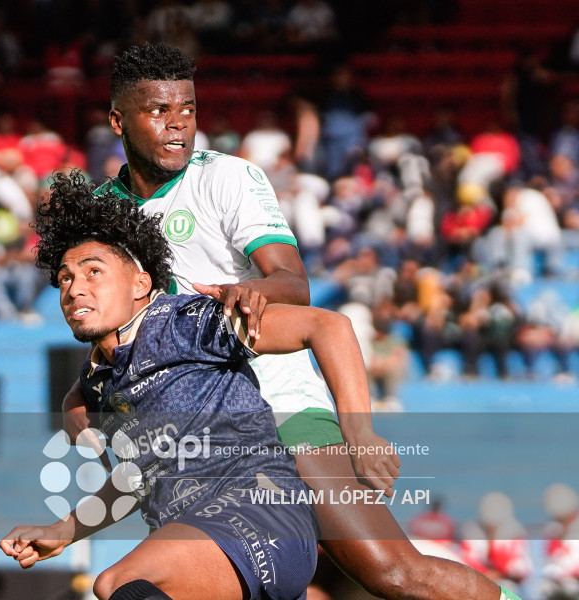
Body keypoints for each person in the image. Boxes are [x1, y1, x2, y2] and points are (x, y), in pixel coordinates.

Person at [65, 43, 518, 600]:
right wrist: (97, 429)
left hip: (281, 409)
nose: (179, 122)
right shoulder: (104, 216)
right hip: (196, 441)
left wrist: (249, 293)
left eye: (188, 108)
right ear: (118, 121)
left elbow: (293, 283)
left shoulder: (226, 178)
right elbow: (114, 339)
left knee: (393, 573)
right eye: (160, 110)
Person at [1, 172, 319, 600]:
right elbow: (135, 478)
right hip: (211, 552)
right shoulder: (103, 380)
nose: (75, 289)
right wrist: (63, 531)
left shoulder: (182, 321)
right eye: (65, 279)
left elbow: (325, 326)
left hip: (262, 519)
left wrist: (360, 431)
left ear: (141, 283)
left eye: (94, 271)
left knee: (116, 583)